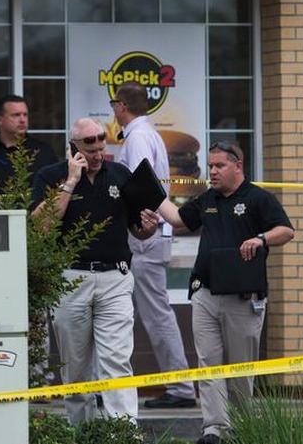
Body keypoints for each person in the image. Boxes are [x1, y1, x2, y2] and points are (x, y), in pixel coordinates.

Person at [142, 140, 295, 444]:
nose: (212, 171)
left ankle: (242, 428)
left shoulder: (258, 198)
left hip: (243, 297)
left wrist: (261, 239)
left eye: (219, 166)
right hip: (205, 294)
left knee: (239, 370)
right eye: (210, 166)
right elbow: (177, 219)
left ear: (238, 166)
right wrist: (148, 189)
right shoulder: (207, 199)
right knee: (208, 364)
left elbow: (286, 230)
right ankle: (214, 429)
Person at [31, 117, 153, 424]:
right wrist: (70, 183)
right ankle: (81, 432)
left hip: (116, 277)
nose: (99, 154)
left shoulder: (122, 175)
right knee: (76, 367)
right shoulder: (50, 176)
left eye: (102, 146)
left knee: (116, 360)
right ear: (74, 148)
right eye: (91, 148)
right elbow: (42, 228)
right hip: (71, 279)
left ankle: (124, 432)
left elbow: (139, 229)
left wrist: (148, 229)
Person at [111, 81, 196, 409]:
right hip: (147, 235)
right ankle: (178, 385)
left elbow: (142, 186)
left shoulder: (139, 137)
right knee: (143, 312)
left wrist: (139, 225)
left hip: (144, 237)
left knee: (155, 314)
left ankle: (180, 387)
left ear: (121, 106)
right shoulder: (145, 134)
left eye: (113, 104)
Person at [0, 94, 58, 187]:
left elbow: (56, 189)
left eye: (25, 115)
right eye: (16, 115)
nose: (22, 120)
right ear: (0, 120)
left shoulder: (44, 152)